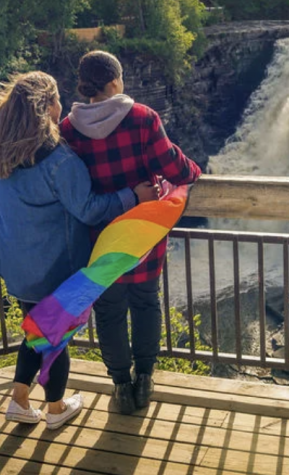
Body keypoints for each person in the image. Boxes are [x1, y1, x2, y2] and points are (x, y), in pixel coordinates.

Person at [0, 71, 157, 429]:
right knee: (53, 338)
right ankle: (56, 408)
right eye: (57, 99)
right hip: (52, 265)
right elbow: (90, 209)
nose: (61, 106)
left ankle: (19, 399)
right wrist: (133, 196)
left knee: (39, 330)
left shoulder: (0, 150)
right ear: (47, 105)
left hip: (15, 261)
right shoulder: (59, 160)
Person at [61, 51, 201, 415]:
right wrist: (194, 170)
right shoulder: (142, 119)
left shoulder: (67, 129)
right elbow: (174, 166)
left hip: (101, 237)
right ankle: (145, 380)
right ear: (114, 82)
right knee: (145, 302)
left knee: (108, 311)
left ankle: (121, 386)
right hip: (142, 233)